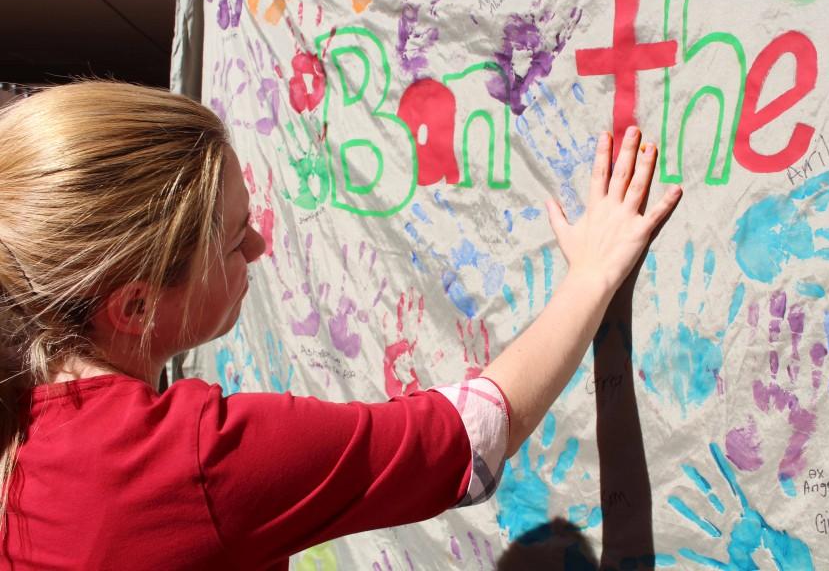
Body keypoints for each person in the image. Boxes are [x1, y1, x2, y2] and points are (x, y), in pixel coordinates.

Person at [0, 81, 681, 569]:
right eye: (237, 239)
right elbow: (469, 438)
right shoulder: (195, 461)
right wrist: (592, 273)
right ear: (137, 307)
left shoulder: (24, 428)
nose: (261, 249)